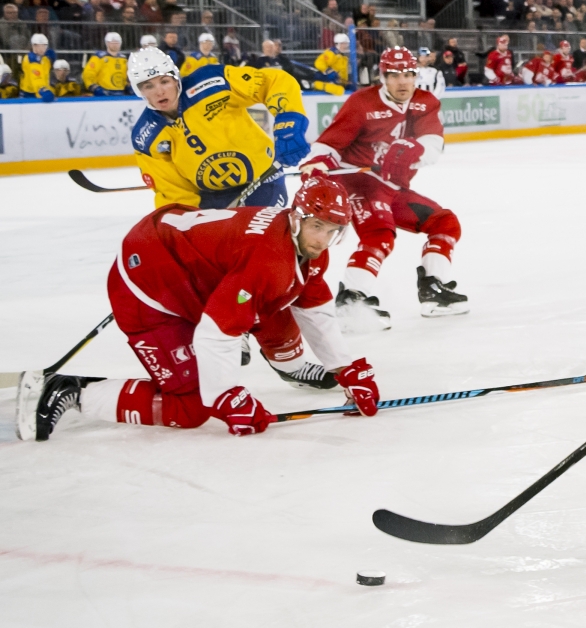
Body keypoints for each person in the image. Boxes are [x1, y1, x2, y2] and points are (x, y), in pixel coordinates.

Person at [15, 179, 381, 441]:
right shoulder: (268, 259)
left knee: (275, 300)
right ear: (298, 218)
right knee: (190, 408)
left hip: (178, 257)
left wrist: (343, 367)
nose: (323, 239)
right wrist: (225, 394)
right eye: (317, 226)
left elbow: (314, 307)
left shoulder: (302, 245)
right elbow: (217, 331)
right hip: (148, 286)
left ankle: (292, 367)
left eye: (333, 230)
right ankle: (71, 391)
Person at [300, 45, 468, 326]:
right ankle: (352, 300)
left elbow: (433, 143)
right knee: (379, 234)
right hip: (358, 183)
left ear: (416, 75)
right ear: (383, 76)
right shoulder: (361, 103)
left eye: (408, 74)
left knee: (445, 223)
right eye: (394, 75)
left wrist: (416, 148)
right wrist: (317, 162)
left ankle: (434, 289)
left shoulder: (425, 102)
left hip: (391, 187)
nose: (402, 81)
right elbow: (330, 145)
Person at [127, 44, 310, 209]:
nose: (159, 91)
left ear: (176, 79)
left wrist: (289, 120)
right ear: (139, 91)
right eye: (148, 86)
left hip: (263, 180)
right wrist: (186, 219)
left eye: (164, 81)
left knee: (258, 239)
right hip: (209, 199)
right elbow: (174, 192)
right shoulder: (145, 136)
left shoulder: (212, 82)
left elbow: (273, 82)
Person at [17, 32, 57, 100]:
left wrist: (51, 61)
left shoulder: (44, 58)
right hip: (29, 95)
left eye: (45, 45)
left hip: (40, 92)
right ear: (34, 46)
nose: (44, 48)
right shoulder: (31, 59)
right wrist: (42, 90)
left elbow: (45, 72)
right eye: (42, 45)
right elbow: (36, 77)